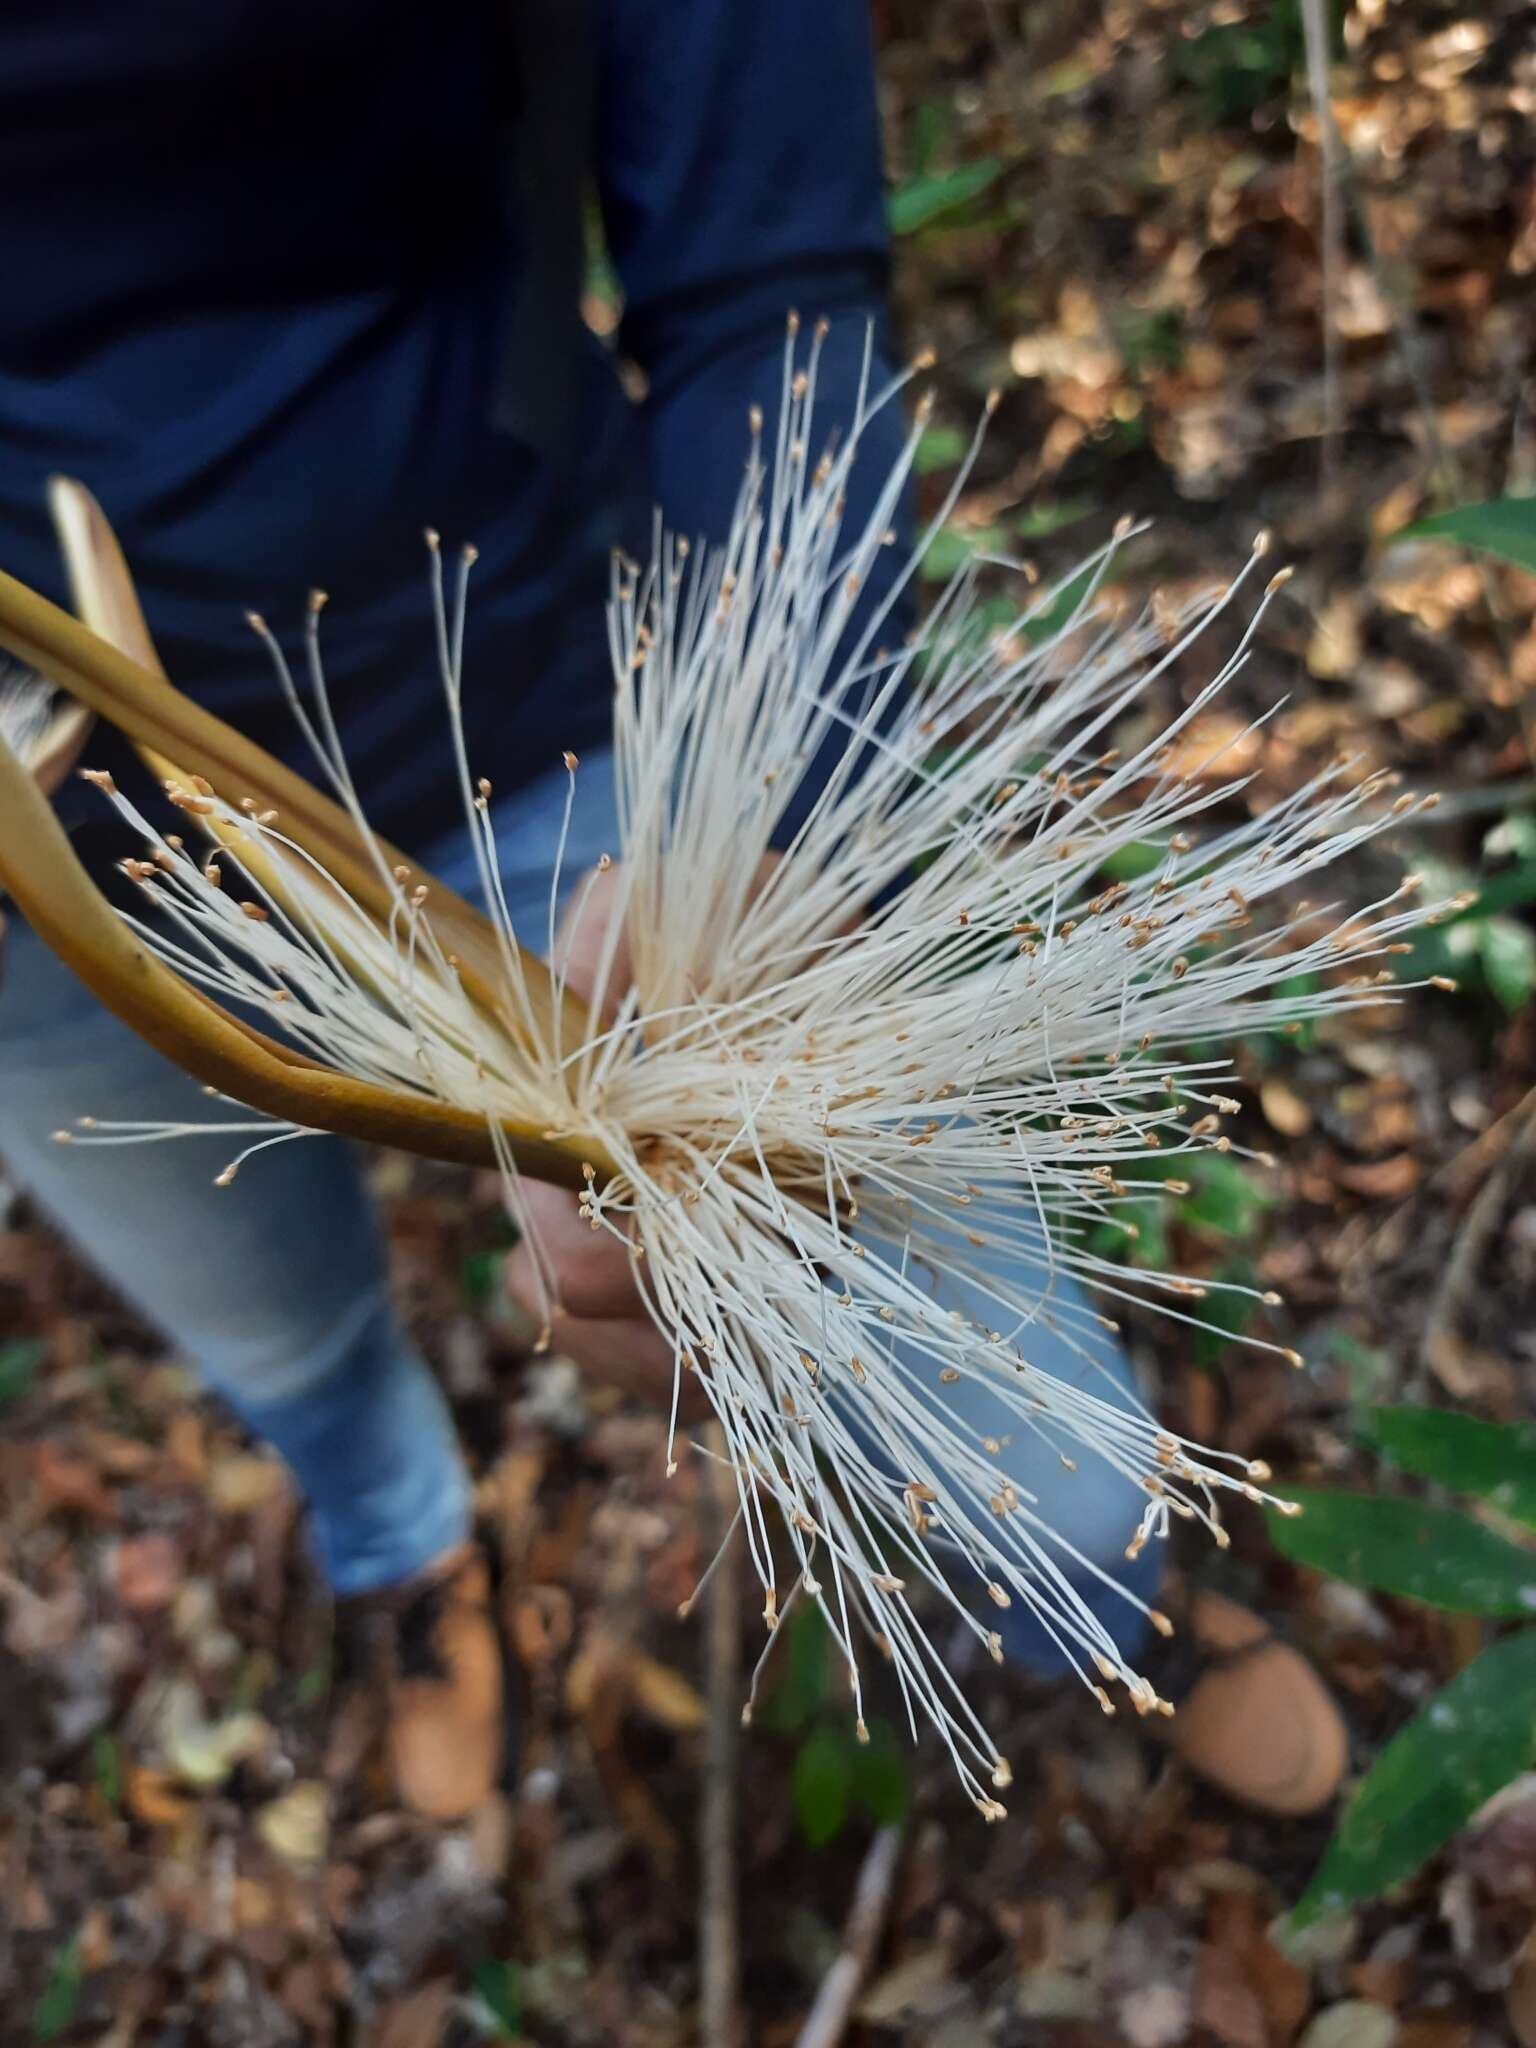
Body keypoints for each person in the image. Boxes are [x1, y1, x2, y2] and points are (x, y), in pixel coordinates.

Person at [0, 1, 1344, 1822]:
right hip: (46, 903)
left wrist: (794, 837)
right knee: (286, 1343)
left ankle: (1116, 1592)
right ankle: (408, 1552)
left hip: (598, 721)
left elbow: (767, 275)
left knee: (1028, 1427)